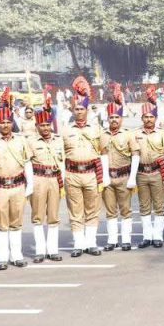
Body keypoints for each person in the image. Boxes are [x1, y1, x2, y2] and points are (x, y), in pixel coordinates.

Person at [0, 88, 32, 270]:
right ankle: (2, 257)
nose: (5, 125)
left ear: (12, 123)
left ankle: (16, 255)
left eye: (8, 122)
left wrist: (30, 186)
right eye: (2, 122)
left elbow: (27, 162)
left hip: (18, 185)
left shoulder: (21, 140)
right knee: (1, 223)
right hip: (0, 187)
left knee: (16, 221)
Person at [62, 77, 104, 257]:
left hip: (91, 174)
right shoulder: (66, 130)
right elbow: (60, 155)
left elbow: (103, 152)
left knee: (92, 209)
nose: (79, 111)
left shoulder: (96, 129)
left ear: (87, 110)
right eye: (76, 109)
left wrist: (103, 177)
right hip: (72, 174)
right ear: (73, 110)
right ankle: (79, 244)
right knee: (75, 210)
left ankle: (91, 243)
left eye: (82, 109)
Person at [100, 85, 139, 251]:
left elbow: (135, 155)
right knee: (110, 210)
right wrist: (104, 176)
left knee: (125, 210)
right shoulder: (103, 135)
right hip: (109, 178)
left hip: (124, 176)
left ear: (121, 119)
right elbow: (102, 155)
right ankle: (112, 240)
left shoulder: (128, 134)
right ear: (108, 119)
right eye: (111, 117)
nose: (114, 120)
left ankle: (126, 240)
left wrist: (132, 178)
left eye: (117, 117)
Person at [27, 93, 64, 263]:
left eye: (48, 124)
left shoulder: (58, 140)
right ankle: (40, 251)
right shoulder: (31, 142)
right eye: (42, 125)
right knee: (38, 216)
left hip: (54, 179)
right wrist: (30, 184)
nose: (46, 128)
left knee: (53, 215)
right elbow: (27, 163)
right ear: (37, 126)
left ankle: (53, 250)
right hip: (39, 179)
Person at [134, 87, 164, 248]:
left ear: (155, 118)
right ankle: (147, 236)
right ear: (142, 118)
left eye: (151, 117)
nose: (149, 119)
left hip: (157, 172)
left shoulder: (162, 133)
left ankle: (157, 236)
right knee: (144, 206)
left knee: (159, 205)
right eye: (146, 117)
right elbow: (134, 155)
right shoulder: (135, 134)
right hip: (142, 173)